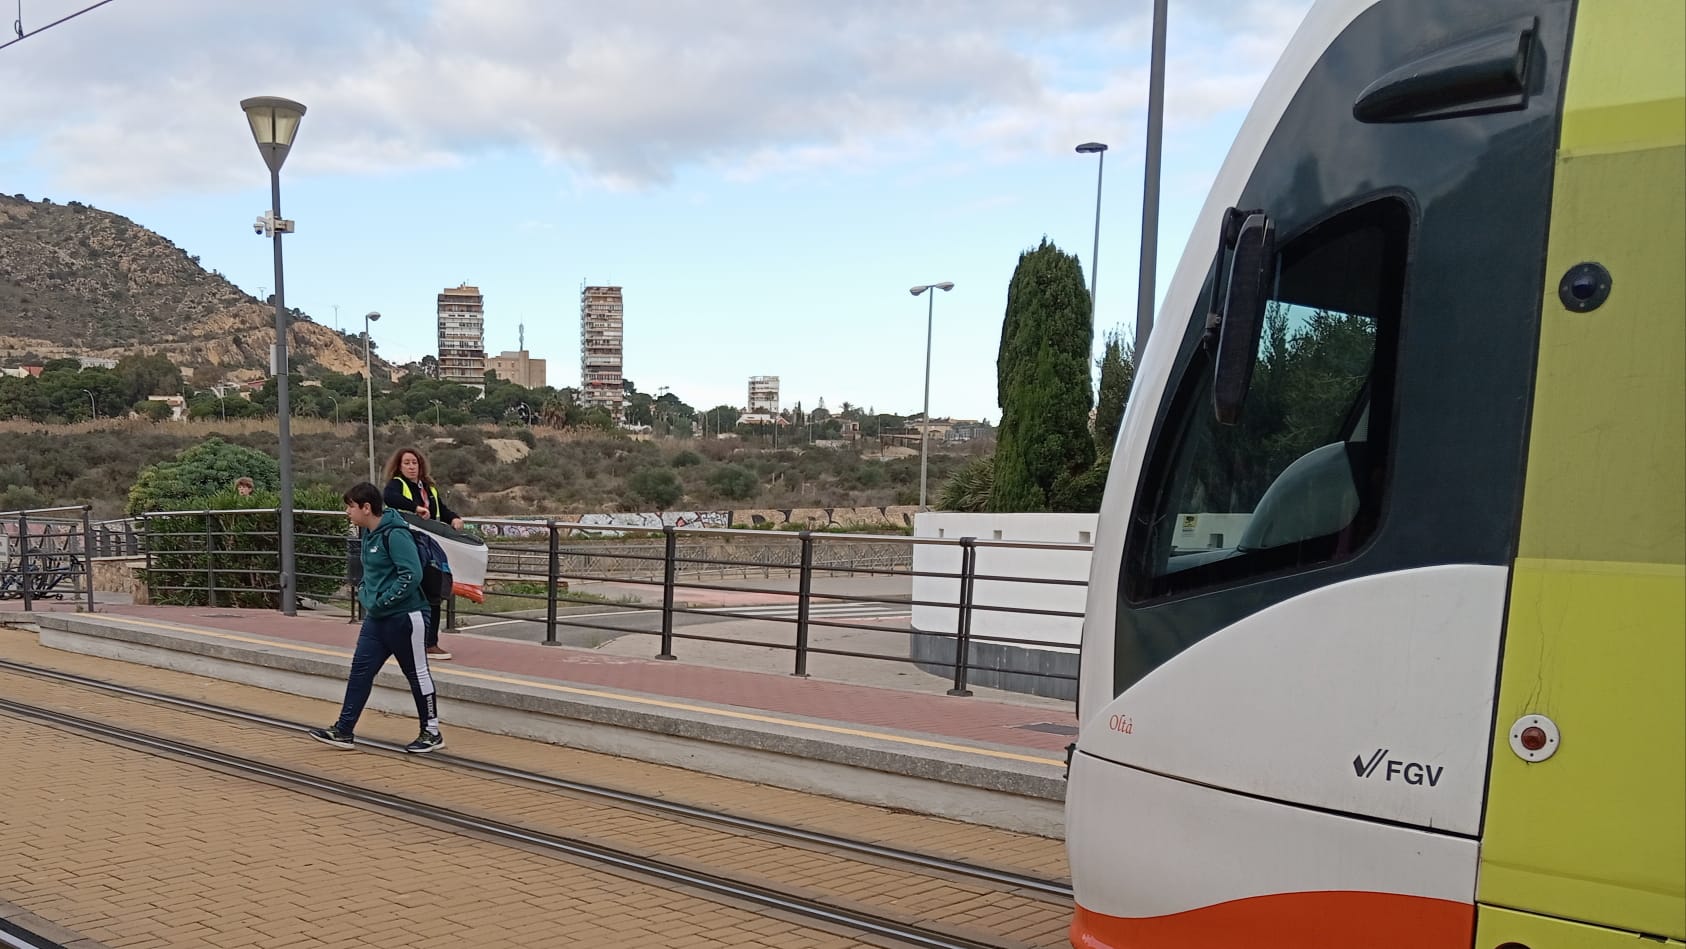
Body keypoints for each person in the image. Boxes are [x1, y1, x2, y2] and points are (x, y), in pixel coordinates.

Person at [309, 482, 443, 753]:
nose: (347, 512)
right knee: (360, 671)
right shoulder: (368, 534)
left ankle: (431, 732)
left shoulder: (395, 534)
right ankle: (344, 730)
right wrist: (366, 597)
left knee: (416, 673)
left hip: (407, 617)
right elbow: (370, 574)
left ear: (366, 508)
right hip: (377, 620)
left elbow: (411, 574)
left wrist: (384, 600)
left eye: (350, 506)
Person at [382, 446, 464, 660]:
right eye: (407, 463)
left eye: (414, 462)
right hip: (409, 545)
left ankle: (430, 643)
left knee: (433, 592)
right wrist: (415, 508)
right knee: (414, 591)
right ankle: (408, 640)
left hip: (431, 547)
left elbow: (441, 510)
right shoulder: (396, 485)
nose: (411, 467)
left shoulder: (428, 487)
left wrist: (453, 518)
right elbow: (390, 499)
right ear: (399, 466)